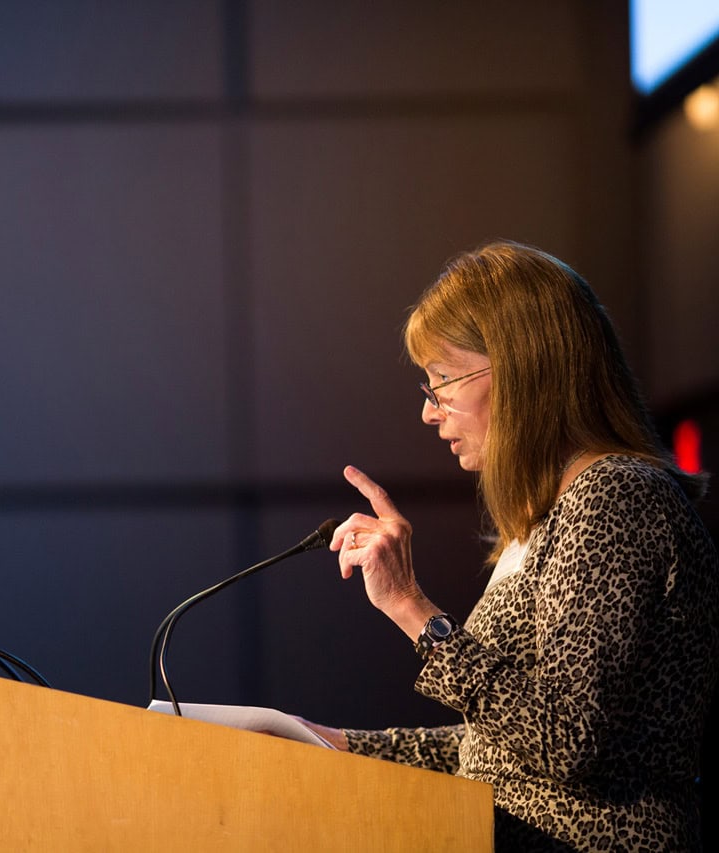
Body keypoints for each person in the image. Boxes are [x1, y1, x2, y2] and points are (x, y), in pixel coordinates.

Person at [302, 241, 719, 851]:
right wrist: (331, 743)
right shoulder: (554, 513)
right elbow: (497, 747)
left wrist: (410, 607)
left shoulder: (616, 497)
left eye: (442, 380)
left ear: (522, 368)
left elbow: (563, 739)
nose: (428, 411)